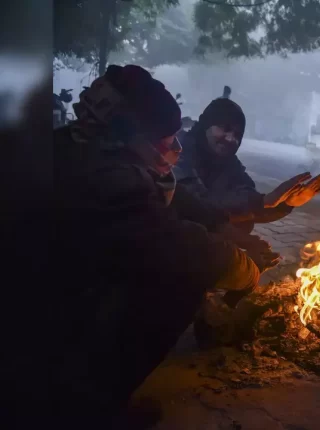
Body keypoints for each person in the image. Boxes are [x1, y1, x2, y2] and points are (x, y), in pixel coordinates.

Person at [50, 65, 263, 426]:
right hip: (39, 317)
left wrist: (223, 225)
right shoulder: (106, 181)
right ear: (131, 136)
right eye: (166, 141)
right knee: (182, 282)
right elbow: (181, 247)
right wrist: (243, 268)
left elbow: (175, 197)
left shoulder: (78, 146)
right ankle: (91, 406)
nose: (173, 149)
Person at [174, 97, 320, 236]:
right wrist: (262, 201)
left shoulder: (229, 164)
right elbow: (197, 205)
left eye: (237, 135)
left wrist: (287, 204)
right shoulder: (178, 150)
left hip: (205, 236)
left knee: (243, 223)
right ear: (206, 125)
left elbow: (251, 210)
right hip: (173, 236)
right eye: (224, 128)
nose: (230, 138)